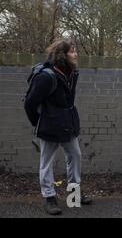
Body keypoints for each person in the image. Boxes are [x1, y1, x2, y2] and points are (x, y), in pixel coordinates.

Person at [24, 39, 91, 215]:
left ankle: (73, 193)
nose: (76, 54)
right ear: (63, 55)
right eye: (72, 51)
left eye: (75, 50)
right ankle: (49, 197)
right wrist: (39, 122)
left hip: (68, 124)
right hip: (50, 126)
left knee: (75, 155)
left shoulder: (72, 73)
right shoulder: (46, 77)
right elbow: (30, 104)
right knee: (47, 162)